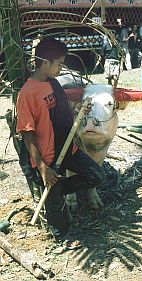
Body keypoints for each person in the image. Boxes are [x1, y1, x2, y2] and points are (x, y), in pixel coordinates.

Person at [16, 38, 106, 242]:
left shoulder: (53, 83)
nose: (61, 69)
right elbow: (27, 133)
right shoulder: (27, 94)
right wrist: (42, 168)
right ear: (45, 63)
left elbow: (59, 113)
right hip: (47, 159)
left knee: (97, 176)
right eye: (59, 64)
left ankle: (57, 190)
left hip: (67, 149)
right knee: (56, 214)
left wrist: (78, 110)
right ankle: (61, 236)